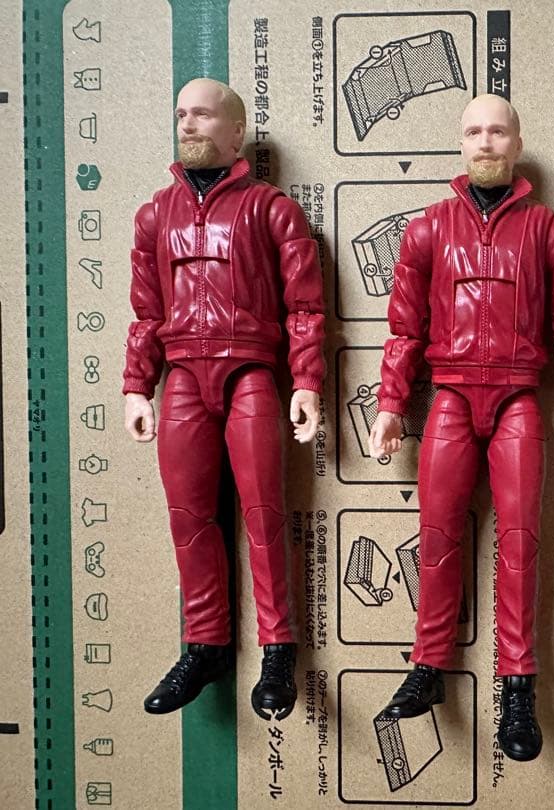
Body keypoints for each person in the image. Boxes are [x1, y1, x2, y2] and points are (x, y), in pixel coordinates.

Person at [369, 94, 554, 761]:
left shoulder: (548, 232)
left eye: (498, 131)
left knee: (521, 542)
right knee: (437, 534)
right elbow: (404, 328)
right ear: (460, 142)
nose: (485, 142)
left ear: (517, 142)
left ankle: (519, 687)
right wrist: (390, 403)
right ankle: (428, 666)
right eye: (474, 131)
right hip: (449, 396)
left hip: (518, 401)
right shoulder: (428, 230)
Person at [123, 78, 325, 720]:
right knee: (188, 516)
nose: (189, 124)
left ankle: (277, 650)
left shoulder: (272, 210)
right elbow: (146, 312)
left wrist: (308, 382)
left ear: (237, 132)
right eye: (182, 113)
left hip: (250, 373)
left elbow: (305, 309)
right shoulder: (154, 216)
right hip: (183, 375)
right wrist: (136, 386)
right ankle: (206, 645)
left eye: (204, 115)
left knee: (264, 512)